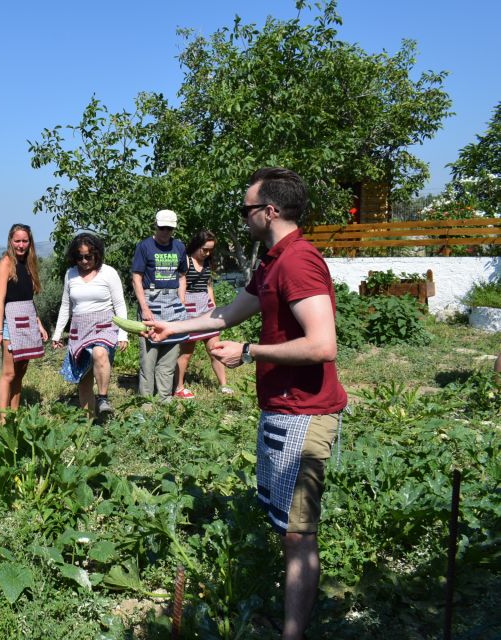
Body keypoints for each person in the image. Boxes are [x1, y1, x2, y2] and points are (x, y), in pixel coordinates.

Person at [145, 168, 347, 640]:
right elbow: (226, 313)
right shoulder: (273, 261)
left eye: (246, 210)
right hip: (283, 409)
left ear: (270, 211)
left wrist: (249, 351)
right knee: (286, 527)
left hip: (306, 413)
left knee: (298, 533)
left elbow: (323, 345)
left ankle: (292, 634)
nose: (243, 219)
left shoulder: (299, 262)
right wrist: (169, 328)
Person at [51, 233, 129, 417]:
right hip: (79, 329)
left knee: (99, 352)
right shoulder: (70, 274)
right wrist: (57, 334)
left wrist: (123, 334)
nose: (84, 261)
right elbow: (65, 306)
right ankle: (89, 420)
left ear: (97, 254)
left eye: (88, 256)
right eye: (80, 257)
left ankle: (102, 398)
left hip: (104, 326)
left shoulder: (108, 272)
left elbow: (119, 304)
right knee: (84, 377)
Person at [130, 209, 189, 399]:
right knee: (148, 358)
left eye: (169, 229)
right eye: (162, 228)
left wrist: (181, 302)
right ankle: (147, 401)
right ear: (155, 225)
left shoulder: (179, 247)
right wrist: (144, 308)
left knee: (170, 356)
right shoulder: (144, 246)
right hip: (151, 302)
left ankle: (164, 399)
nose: (165, 232)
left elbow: (182, 276)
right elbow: (136, 278)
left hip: (172, 304)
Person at [0, 223, 49, 419]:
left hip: (28, 322)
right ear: (11, 241)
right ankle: (3, 418)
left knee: (21, 373)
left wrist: (39, 324)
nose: (21, 245)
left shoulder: (30, 263)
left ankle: (14, 415)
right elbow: (0, 299)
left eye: (25, 240)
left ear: (30, 242)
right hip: (10, 325)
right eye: (17, 241)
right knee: (8, 374)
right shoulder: (6, 263)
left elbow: (28, 300)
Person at [173, 230, 234, 398]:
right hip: (189, 308)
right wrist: (182, 304)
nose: (207, 253)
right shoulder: (185, 260)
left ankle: (223, 385)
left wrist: (213, 305)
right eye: (205, 249)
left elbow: (208, 285)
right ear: (197, 245)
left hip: (206, 306)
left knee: (215, 348)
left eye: (210, 250)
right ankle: (179, 387)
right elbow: (181, 282)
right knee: (186, 352)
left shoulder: (207, 262)